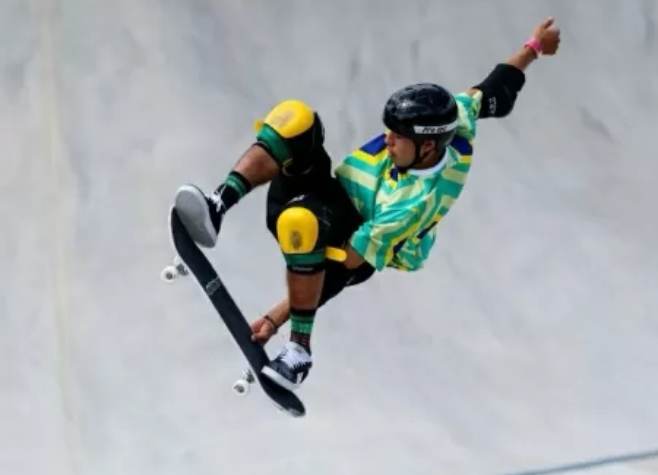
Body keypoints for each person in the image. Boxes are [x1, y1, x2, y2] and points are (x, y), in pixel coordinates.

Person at [173, 17, 561, 392]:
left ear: (426, 146)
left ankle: (299, 353)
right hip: (328, 192)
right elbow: (497, 88)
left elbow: (339, 271)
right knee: (296, 118)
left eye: (397, 137)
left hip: (348, 242)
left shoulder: (411, 205)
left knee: (300, 224)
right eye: (388, 131)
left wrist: (276, 319)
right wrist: (533, 49)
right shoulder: (454, 120)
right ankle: (218, 205)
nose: (387, 141)